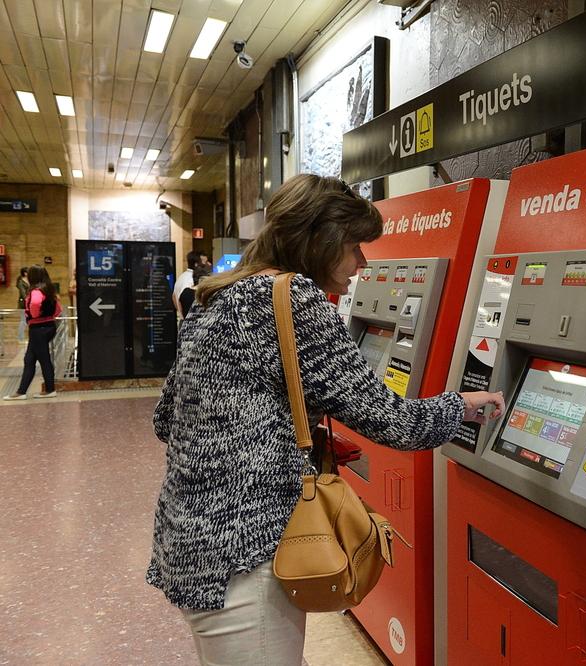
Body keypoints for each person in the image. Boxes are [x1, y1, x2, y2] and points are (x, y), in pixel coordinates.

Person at [148, 174, 505, 665]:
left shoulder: (218, 297)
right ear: (319, 240)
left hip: (191, 540)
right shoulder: (293, 299)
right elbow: (392, 421)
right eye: (355, 246)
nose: (364, 262)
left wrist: (267, 426)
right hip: (245, 550)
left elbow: (166, 419)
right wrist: (459, 406)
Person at [4, 266, 62, 400]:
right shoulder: (49, 289)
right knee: (29, 359)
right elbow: (58, 309)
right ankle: (21, 391)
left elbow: (35, 304)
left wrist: (35, 315)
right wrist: (48, 316)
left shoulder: (36, 291)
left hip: (38, 329)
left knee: (44, 359)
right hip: (48, 326)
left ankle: (49, 389)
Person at [15, 267, 29, 343]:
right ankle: (20, 338)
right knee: (23, 320)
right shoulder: (21, 282)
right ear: (25, 273)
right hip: (23, 304)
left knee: (28, 321)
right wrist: (28, 300)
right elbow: (23, 294)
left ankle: (27, 337)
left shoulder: (29, 281)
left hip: (29, 303)